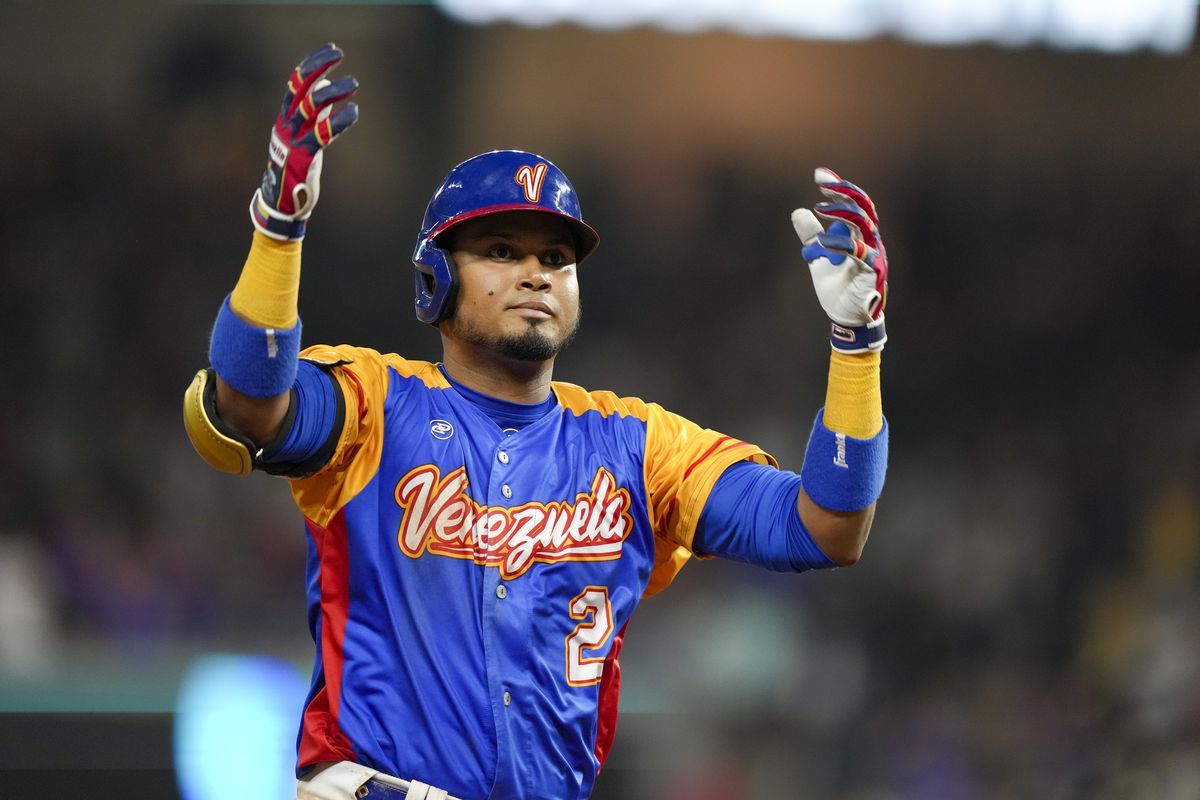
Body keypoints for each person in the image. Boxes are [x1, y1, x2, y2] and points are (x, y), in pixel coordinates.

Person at [183, 43, 890, 800]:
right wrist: (278, 227)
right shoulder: (375, 405)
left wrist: (857, 349)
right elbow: (252, 403)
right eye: (499, 250)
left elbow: (825, 529)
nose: (535, 273)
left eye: (556, 257)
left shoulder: (636, 446)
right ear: (436, 278)